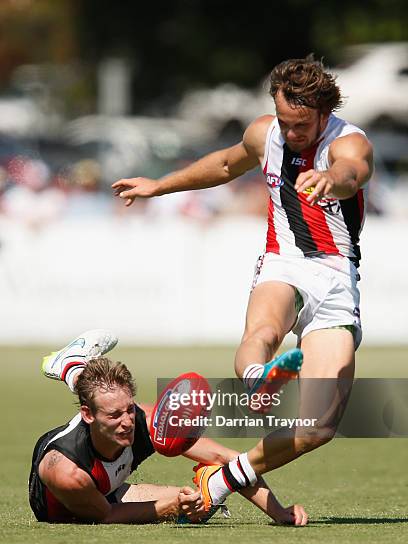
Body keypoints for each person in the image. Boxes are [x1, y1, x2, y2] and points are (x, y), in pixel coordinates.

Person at [112, 56, 374, 498]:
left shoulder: (347, 141)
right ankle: (258, 377)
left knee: (318, 428)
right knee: (265, 327)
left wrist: (332, 177)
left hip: (336, 274)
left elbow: (353, 172)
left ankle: (224, 477)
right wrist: (159, 186)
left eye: (302, 125)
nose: (291, 134)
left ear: (323, 113)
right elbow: (224, 165)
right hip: (283, 260)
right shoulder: (264, 132)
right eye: (285, 122)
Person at [29, 329, 308, 525]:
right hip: (75, 507)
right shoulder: (66, 469)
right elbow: (107, 515)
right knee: (192, 509)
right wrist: (173, 507)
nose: (127, 422)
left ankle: (72, 367)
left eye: (129, 409)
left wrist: (277, 512)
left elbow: (225, 458)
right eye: (115, 416)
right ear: (87, 415)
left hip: (108, 489)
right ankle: (72, 366)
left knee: (197, 502)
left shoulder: (144, 421)